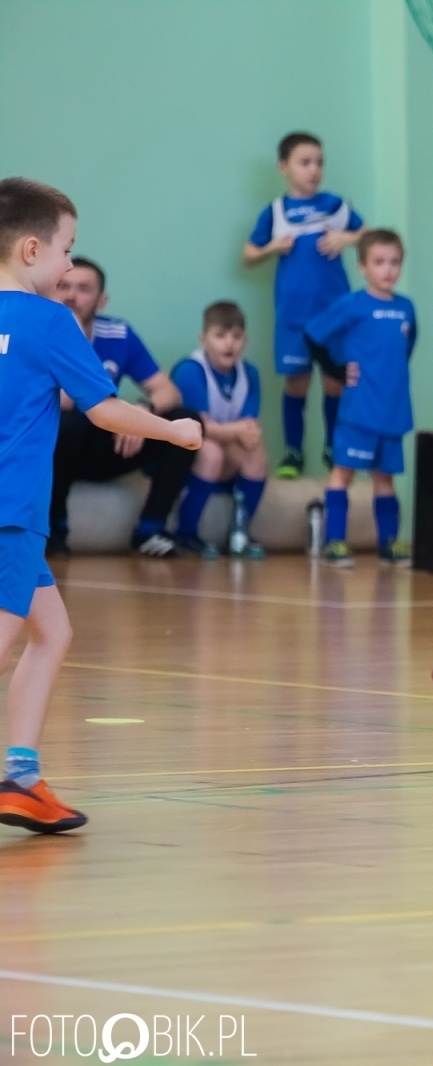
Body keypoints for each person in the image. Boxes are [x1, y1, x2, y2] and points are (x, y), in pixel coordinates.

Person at [0, 178, 202, 834]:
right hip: (12, 516)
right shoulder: (49, 320)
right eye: (68, 250)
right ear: (31, 250)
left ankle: (21, 779)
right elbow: (104, 406)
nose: (70, 266)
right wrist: (173, 430)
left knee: (52, 632)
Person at [49, 257, 199, 557]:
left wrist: (144, 410)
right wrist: (72, 334)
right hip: (57, 449)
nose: (71, 296)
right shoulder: (40, 332)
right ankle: (55, 529)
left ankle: (150, 530)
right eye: (63, 287)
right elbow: (65, 400)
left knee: (184, 420)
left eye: (83, 289)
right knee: (66, 422)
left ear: (101, 300)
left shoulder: (118, 333)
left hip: (108, 444)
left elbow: (168, 390)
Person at [243, 131, 365, 478]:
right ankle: (293, 453)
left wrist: (348, 237)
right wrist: (271, 249)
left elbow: (371, 237)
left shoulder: (335, 206)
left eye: (319, 163)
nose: (314, 170)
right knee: (296, 384)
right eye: (305, 162)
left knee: (335, 383)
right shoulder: (276, 212)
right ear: (284, 166)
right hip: (294, 317)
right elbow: (248, 253)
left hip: (335, 315)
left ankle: (333, 447)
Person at [306, 230, 417, 568]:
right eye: (379, 262)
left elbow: (405, 349)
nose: (388, 270)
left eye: (394, 262)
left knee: (385, 479)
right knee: (344, 473)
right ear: (363, 266)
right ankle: (334, 542)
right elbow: (313, 334)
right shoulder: (354, 304)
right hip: (359, 411)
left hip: (393, 412)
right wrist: (336, 372)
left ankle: (389, 544)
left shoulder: (406, 309)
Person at [168, 302, 268, 560]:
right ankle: (185, 533)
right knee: (210, 451)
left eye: (236, 336)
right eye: (220, 336)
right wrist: (236, 430)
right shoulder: (190, 370)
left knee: (256, 454)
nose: (229, 344)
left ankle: (240, 533)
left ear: (245, 340)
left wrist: (244, 432)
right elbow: (198, 429)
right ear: (203, 338)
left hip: (223, 450)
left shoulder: (250, 374)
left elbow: (249, 428)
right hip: (183, 453)